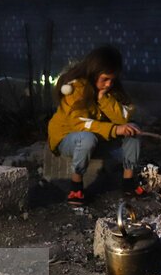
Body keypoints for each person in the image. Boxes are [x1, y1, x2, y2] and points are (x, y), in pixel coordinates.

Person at [47, 45, 145, 205]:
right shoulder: (75, 88)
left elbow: (123, 118)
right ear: (94, 73)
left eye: (112, 80)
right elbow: (78, 123)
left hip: (97, 138)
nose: (108, 84)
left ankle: (128, 183)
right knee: (87, 138)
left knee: (132, 129)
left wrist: (103, 99)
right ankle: (76, 187)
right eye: (105, 79)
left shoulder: (109, 89)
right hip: (69, 139)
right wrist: (114, 129)